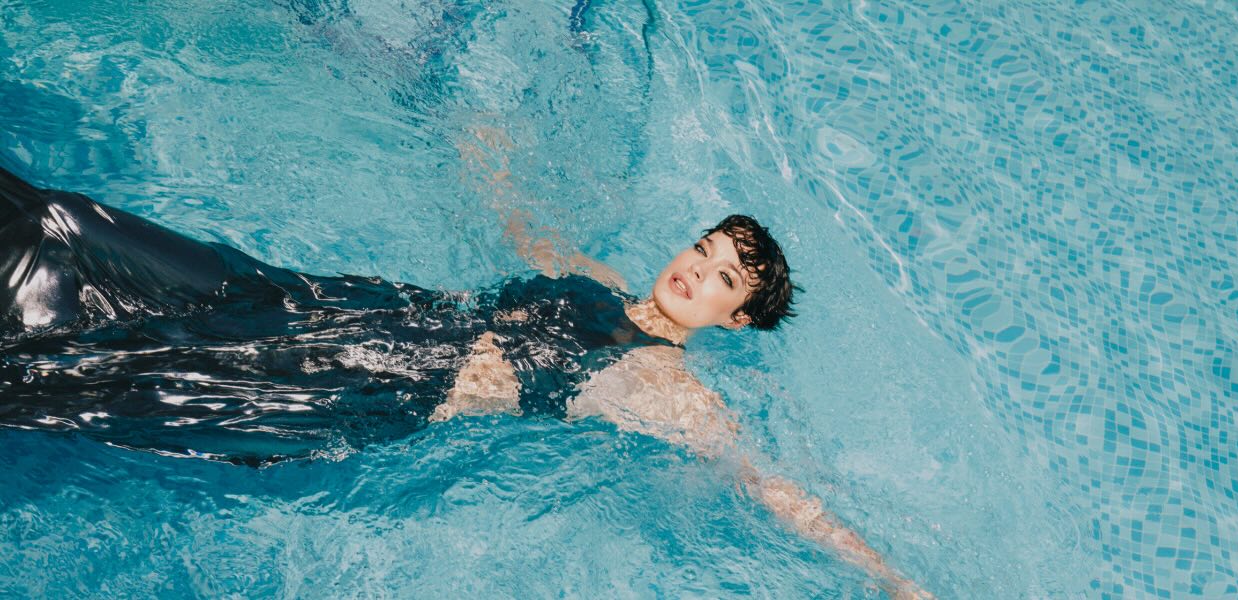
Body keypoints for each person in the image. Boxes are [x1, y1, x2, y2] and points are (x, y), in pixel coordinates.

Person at [0, 163, 930, 598]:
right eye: (704, 247)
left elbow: (767, 484)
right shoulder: (589, 276)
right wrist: (484, 143)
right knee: (70, 225)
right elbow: (517, 216)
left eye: (723, 277)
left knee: (87, 372)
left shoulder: (666, 387)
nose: (697, 267)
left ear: (734, 320)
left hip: (367, 385)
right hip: (337, 309)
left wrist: (890, 578)